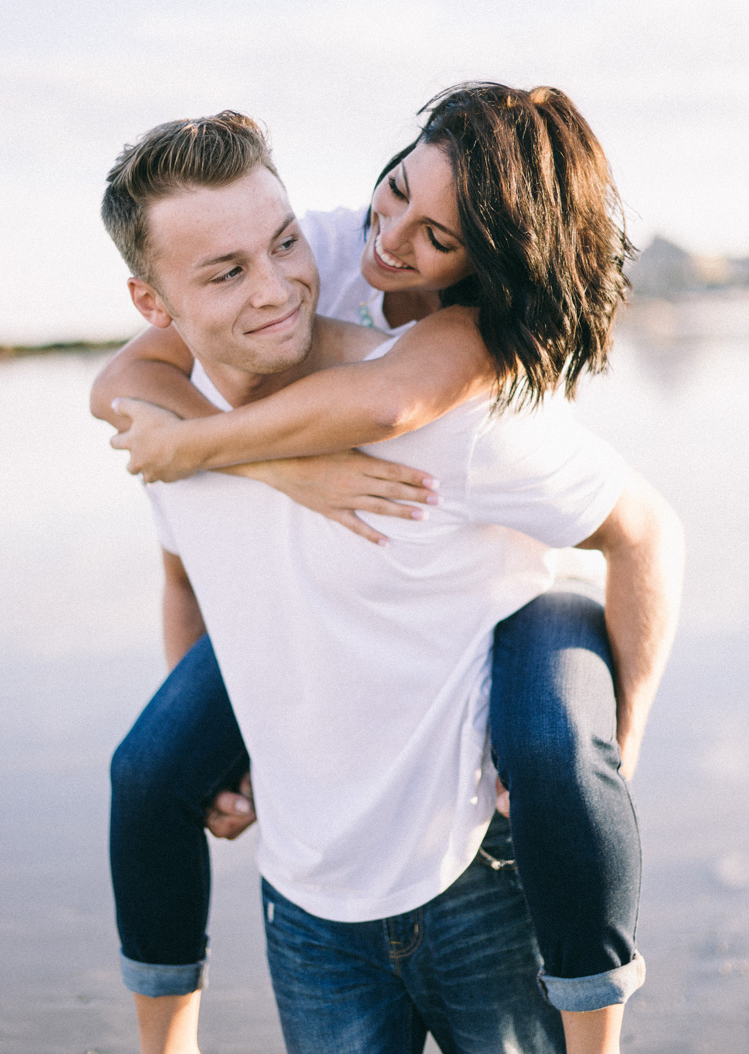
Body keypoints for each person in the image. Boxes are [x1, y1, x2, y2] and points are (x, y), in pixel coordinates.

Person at [93, 91, 684, 1054]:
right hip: (310, 897)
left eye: (436, 234)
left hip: (468, 865)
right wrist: (262, 463)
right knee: (148, 772)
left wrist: (627, 740)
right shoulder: (300, 269)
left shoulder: (469, 378)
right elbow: (171, 537)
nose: (283, 284)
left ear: (482, 262)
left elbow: (393, 400)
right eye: (397, 190)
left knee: (561, 751)